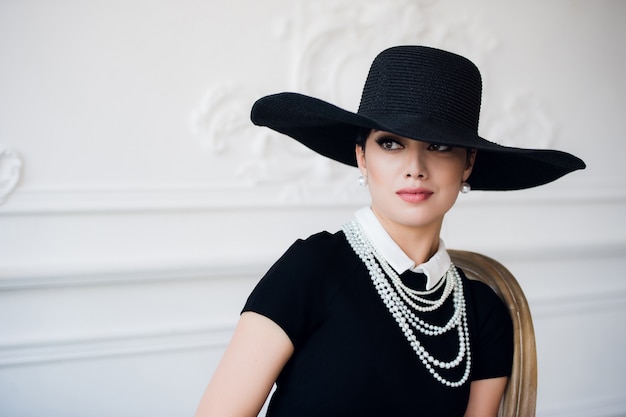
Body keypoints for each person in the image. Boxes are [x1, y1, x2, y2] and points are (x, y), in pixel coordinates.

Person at [194, 45, 585, 417]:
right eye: (391, 143)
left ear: (468, 164)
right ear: (362, 157)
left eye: (440, 146)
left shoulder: (483, 312)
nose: (415, 167)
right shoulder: (312, 269)